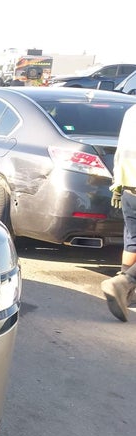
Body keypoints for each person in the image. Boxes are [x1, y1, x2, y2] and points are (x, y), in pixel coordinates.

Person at [101, 104, 136, 322]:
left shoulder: (132, 111)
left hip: (128, 185)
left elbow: (122, 148)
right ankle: (124, 283)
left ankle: (127, 295)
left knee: (133, 239)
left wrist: (117, 183)